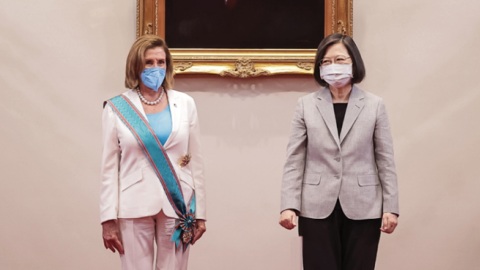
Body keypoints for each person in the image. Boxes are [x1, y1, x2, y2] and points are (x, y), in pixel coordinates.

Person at [279, 33, 399, 270]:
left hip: (365, 206)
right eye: (326, 61)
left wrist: (391, 207)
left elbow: (385, 160)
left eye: (340, 60)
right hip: (316, 206)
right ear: (320, 67)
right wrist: (288, 204)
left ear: (354, 62)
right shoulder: (306, 105)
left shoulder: (375, 105)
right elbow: (294, 159)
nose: (333, 66)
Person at [100, 35, 206, 270]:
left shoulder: (185, 103)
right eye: (149, 62)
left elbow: (196, 161)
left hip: (178, 203)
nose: (156, 68)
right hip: (133, 204)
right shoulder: (116, 108)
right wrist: (108, 218)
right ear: (136, 65)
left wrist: (201, 213)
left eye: (161, 62)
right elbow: (108, 169)